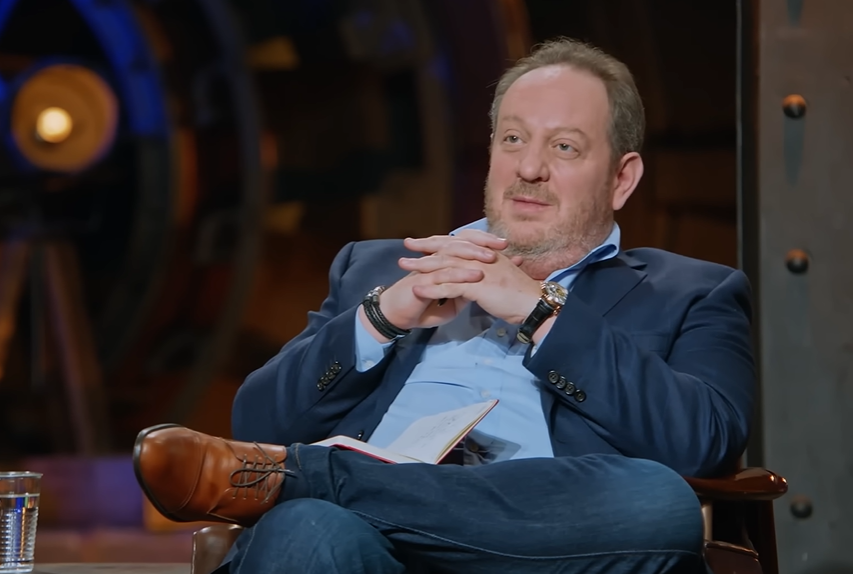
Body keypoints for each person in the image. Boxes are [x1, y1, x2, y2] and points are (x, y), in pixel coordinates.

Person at [133, 37, 755, 574]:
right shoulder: (377, 271)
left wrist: (539, 312)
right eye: (513, 139)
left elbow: (701, 444)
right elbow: (257, 426)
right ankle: (321, 490)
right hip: (370, 551)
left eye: (564, 147)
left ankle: (310, 478)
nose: (529, 167)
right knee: (307, 529)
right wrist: (381, 319)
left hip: (547, 546)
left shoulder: (693, 291)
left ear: (622, 178)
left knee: (658, 501)